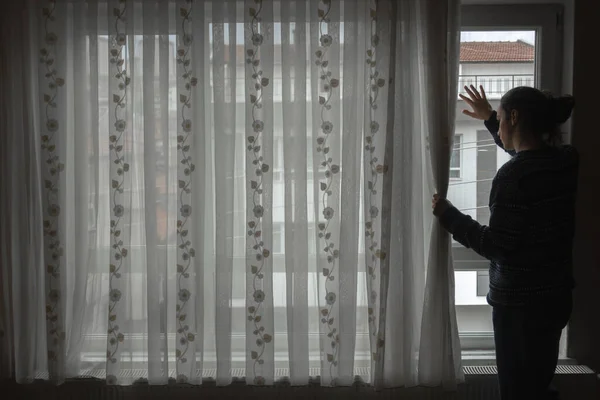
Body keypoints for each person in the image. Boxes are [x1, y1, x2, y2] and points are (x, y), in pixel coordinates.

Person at [432, 85, 578, 400]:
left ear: (513, 117)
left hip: (521, 310)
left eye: (499, 120)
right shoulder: (565, 161)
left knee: (519, 393)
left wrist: (449, 216)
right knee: (536, 387)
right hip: (554, 299)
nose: (497, 127)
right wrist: (488, 118)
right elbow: (529, 155)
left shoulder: (512, 177)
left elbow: (497, 245)